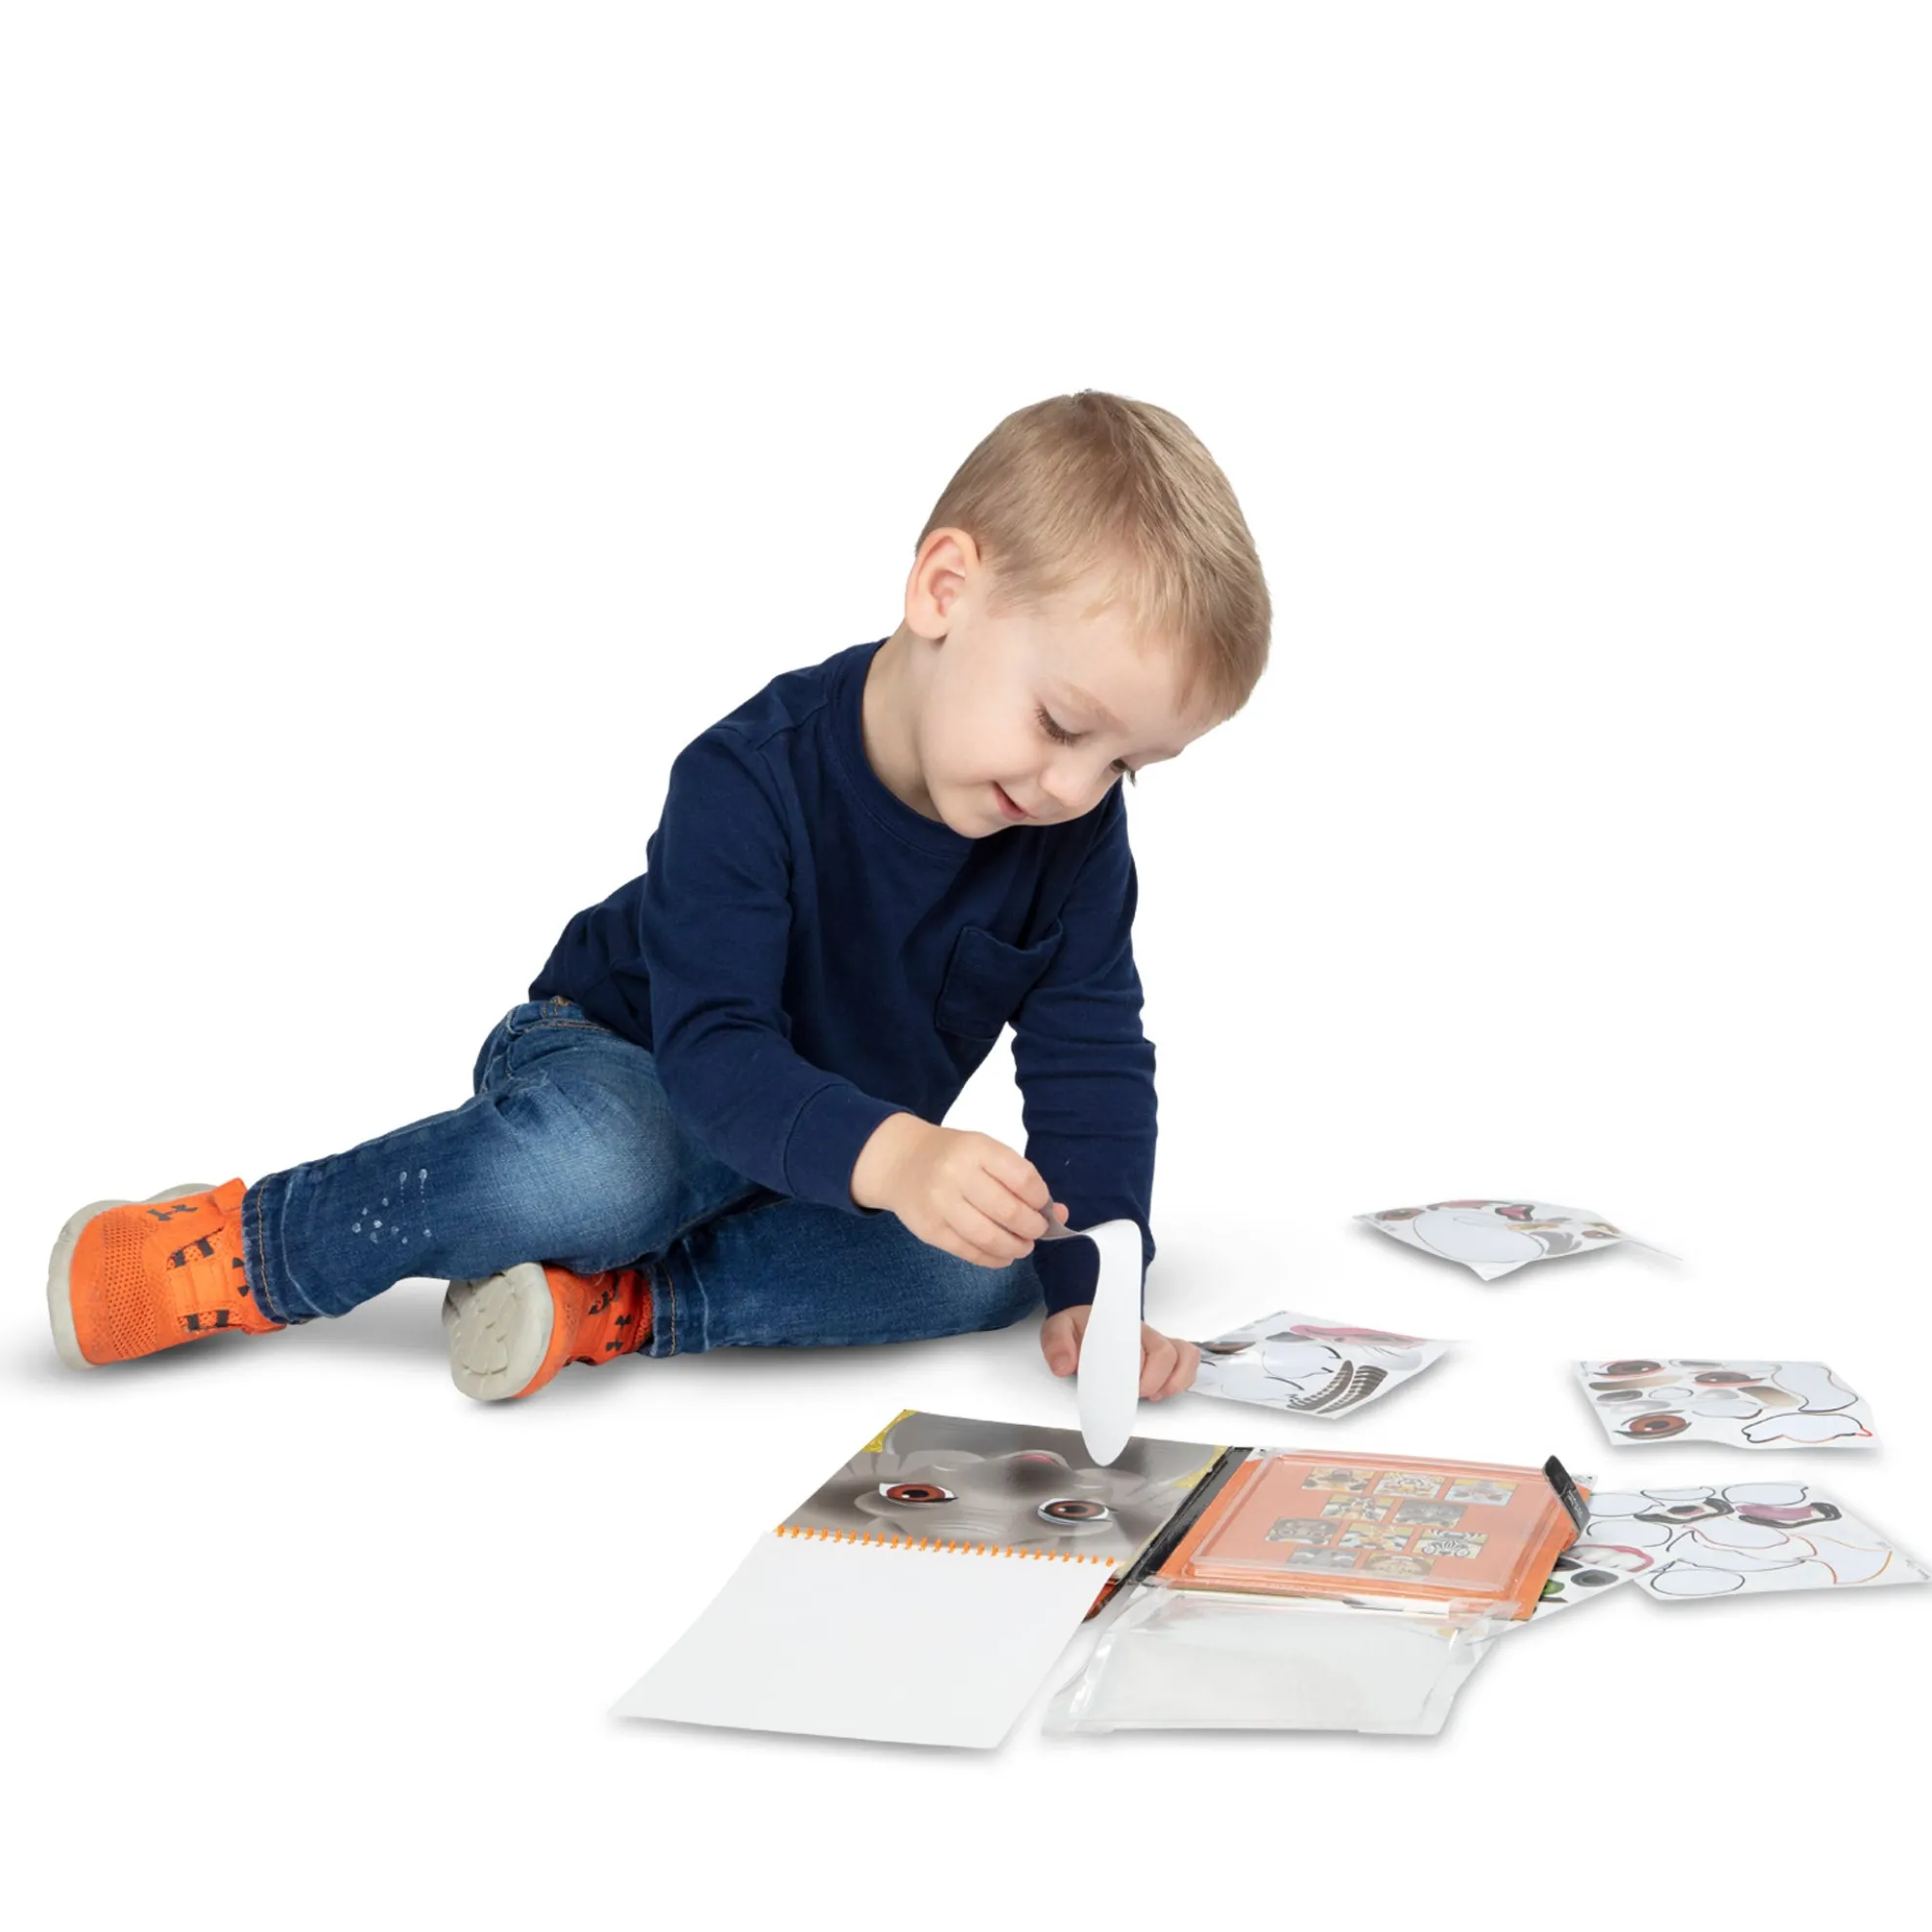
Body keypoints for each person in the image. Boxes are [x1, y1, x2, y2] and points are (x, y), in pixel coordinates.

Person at [48, 390, 1271, 1404]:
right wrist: (898, 1153)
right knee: (614, 1173)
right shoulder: (749, 776)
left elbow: (1095, 1054)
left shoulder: (1071, 834)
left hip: (826, 1150)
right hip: (630, 1066)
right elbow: (717, 1056)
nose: (1076, 789)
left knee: (1001, 1255)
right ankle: (245, 1248)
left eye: (1126, 766)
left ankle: (616, 1307)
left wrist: (1099, 1281)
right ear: (944, 590)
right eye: (1061, 725)